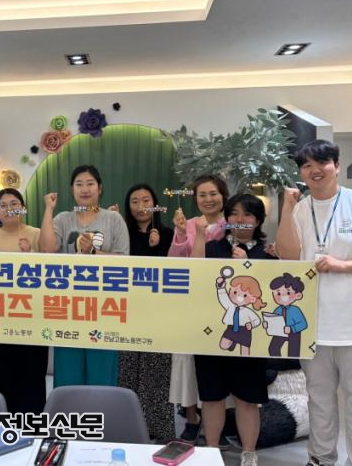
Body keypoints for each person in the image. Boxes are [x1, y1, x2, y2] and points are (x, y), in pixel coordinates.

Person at [276, 139, 352, 466]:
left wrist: (342, 265)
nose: (315, 170)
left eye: (322, 163)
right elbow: (288, 256)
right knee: (319, 399)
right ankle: (320, 458)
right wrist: (286, 208)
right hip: (312, 325)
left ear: (337, 166)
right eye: (306, 165)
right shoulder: (300, 209)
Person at [192, 193, 274, 466]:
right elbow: (194, 274)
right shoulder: (213, 247)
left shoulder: (268, 254)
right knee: (212, 397)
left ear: (258, 220)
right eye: (234, 213)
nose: (240, 219)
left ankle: (249, 453)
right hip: (210, 336)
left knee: (247, 399)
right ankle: (211, 451)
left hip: (250, 341)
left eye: (247, 214)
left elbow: (270, 296)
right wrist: (200, 236)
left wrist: (248, 265)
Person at [40, 165, 129, 386]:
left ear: (100, 188)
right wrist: (49, 209)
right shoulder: (63, 218)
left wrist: (94, 253)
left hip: (104, 307)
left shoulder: (113, 219)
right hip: (68, 307)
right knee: (68, 376)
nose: (85, 189)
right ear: (72, 190)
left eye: (90, 183)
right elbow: (46, 250)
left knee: (102, 377)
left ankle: (101, 410)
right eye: (79, 184)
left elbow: (124, 261)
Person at [0, 188, 47, 414]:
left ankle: (32, 426)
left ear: (23, 208)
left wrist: (31, 253)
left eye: (14, 204)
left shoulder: (36, 233)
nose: (9, 209)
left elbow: (50, 266)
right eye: (3, 205)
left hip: (33, 318)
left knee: (33, 377)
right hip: (0, 318)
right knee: (4, 375)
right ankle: (5, 425)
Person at [168, 174, 229, 444]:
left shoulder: (232, 224)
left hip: (223, 305)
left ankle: (217, 424)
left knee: (217, 366)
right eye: (202, 195)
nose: (208, 199)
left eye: (213, 193)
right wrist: (181, 234)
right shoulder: (189, 224)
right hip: (191, 303)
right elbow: (174, 261)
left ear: (223, 196)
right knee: (187, 362)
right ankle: (192, 418)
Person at [117, 184, 176, 442]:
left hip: (159, 313)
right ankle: (126, 428)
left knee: (157, 374)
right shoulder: (123, 234)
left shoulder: (169, 233)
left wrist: (157, 246)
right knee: (127, 372)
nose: (141, 206)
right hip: (126, 311)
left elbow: (176, 270)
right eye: (135, 201)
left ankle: (158, 429)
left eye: (146, 200)